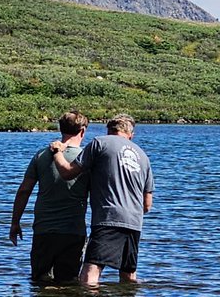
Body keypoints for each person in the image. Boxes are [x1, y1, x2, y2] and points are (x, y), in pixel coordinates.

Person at [48, 113, 154, 286]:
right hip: (135, 223)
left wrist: (57, 152)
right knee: (128, 276)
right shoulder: (143, 157)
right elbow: (147, 205)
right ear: (131, 135)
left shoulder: (100, 143)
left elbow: (67, 172)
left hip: (108, 218)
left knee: (90, 272)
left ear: (109, 129)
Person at [9, 111, 90, 281]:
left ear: (60, 129)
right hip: (73, 231)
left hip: (43, 230)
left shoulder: (41, 155)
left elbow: (24, 191)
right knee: (68, 283)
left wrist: (15, 222)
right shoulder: (87, 158)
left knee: (40, 281)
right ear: (83, 131)